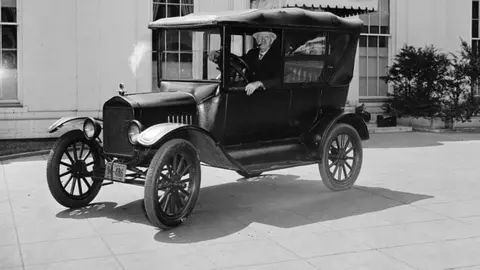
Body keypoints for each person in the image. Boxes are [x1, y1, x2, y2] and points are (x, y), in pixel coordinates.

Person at [208, 31, 281, 96]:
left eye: (266, 37)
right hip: (247, 90)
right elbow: (238, 61)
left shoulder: (277, 56)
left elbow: (279, 79)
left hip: (268, 95)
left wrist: (259, 83)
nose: (263, 40)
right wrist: (218, 56)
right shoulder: (252, 53)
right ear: (257, 40)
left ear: (271, 41)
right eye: (260, 37)